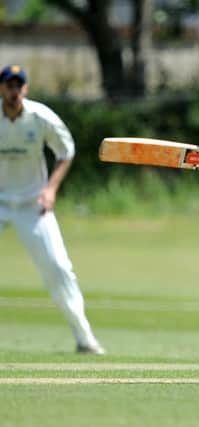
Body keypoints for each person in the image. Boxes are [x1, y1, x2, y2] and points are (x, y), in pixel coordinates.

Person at [0, 64, 105, 355]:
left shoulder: (40, 117)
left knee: (58, 267)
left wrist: (50, 189)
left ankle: (85, 338)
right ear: (1, 89)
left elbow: (66, 151)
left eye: (19, 85)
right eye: (9, 85)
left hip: (32, 203)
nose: (14, 91)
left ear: (26, 88)